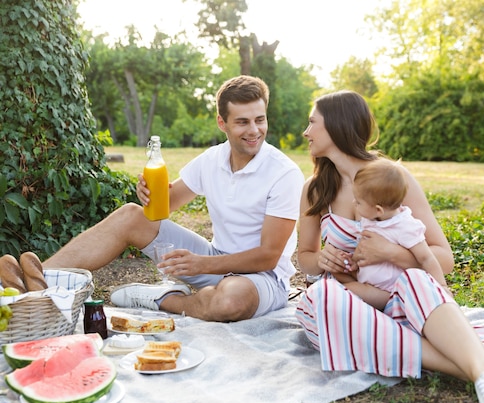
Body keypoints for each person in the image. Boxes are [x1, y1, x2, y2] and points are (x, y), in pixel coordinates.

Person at [294, 90, 484, 403]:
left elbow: (443, 257)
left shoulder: (391, 179)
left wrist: (392, 253)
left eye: (312, 123)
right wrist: (322, 259)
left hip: (405, 304)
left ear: (338, 127)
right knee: (318, 298)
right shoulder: (314, 188)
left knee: (414, 278)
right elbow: (305, 256)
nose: (305, 131)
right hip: (351, 306)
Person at [44, 75, 305, 322]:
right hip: (215, 259)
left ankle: (164, 299)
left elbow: (268, 256)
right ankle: (35, 280)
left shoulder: (284, 174)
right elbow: (163, 207)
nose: (254, 130)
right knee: (130, 216)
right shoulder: (211, 159)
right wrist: (148, 195)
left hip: (263, 279)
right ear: (221, 123)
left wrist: (202, 264)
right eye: (242, 122)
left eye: (260, 120)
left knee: (229, 301)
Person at [343, 158, 446, 294]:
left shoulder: (405, 227)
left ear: (378, 209)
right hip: (368, 282)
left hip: (391, 290)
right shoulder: (372, 218)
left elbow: (426, 258)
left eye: (358, 202)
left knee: (345, 291)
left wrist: (442, 287)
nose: (353, 202)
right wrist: (354, 261)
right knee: (336, 283)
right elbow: (363, 245)